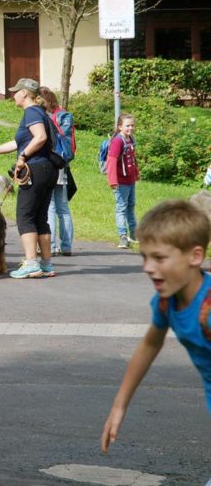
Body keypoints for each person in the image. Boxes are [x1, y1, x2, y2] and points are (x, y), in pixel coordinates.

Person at [101, 199, 211, 453]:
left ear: (195, 256)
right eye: (145, 257)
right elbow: (150, 344)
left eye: (159, 258)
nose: (148, 268)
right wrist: (119, 405)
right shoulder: (167, 302)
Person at [0, 78, 59, 279]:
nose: (13, 94)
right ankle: (46, 264)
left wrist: (23, 158)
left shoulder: (31, 112)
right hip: (48, 169)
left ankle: (31, 263)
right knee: (40, 217)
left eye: (16, 91)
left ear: (24, 93)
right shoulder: (41, 113)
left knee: (25, 216)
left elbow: (39, 138)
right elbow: (17, 142)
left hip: (35, 169)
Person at [40, 86, 75, 256]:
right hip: (62, 164)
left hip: (48, 163)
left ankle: (52, 246)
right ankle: (67, 246)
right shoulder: (65, 115)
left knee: (50, 207)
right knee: (63, 208)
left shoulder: (42, 117)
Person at [107, 113, 140, 249]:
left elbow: (133, 158)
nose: (130, 128)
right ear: (120, 127)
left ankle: (134, 234)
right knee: (121, 208)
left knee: (131, 206)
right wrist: (113, 180)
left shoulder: (130, 139)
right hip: (120, 181)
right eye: (127, 126)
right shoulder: (117, 141)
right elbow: (111, 161)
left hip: (130, 180)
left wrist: (136, 173)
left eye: (132, 125)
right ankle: (123, 237)